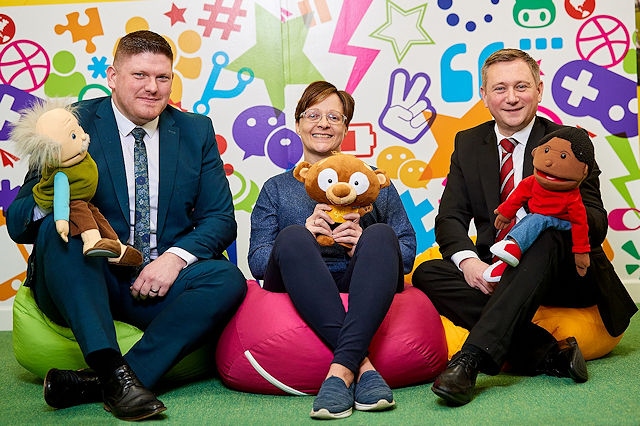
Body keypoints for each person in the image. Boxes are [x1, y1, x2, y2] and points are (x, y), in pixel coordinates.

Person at [7, 30, 246, 421]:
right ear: (113, 76)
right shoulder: (70, 125)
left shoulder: (195, 130)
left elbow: (219, 218)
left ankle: (104, 382)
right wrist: (54, 193)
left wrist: (173, 259)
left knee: (227, 279)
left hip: (156, 280)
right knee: (57, 228)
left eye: (163, 77)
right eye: (139, 76)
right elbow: (19, 225)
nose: (152, 88)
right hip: (85, 280)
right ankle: (110, 366)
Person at [411, 48, 637, 406]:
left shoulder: (567, 143)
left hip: (565, 274)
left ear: (539, 90)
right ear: (484, 96)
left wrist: (562, 210)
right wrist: (472, 265)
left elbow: (596, 225)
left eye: (521, 86)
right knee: (428, 273)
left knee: (546, 234)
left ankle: (470, 360)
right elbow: (450, 218)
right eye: (499, 88)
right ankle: (549, 353)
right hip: (501, 268)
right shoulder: (468, 143)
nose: (512, 97)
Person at [248, 81, 416, 419]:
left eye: (334, 117)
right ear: (298, 124)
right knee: (294, 236)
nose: (323, 123)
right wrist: (308, 235)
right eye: (313, 115)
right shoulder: (276, 189)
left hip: (358, 282)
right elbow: (257, 261)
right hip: (298, 282)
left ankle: (339, 373)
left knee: (381, 234)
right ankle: (362, 366)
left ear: (344, 129)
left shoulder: (372, 184)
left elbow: (407, 249)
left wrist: (363, 244)